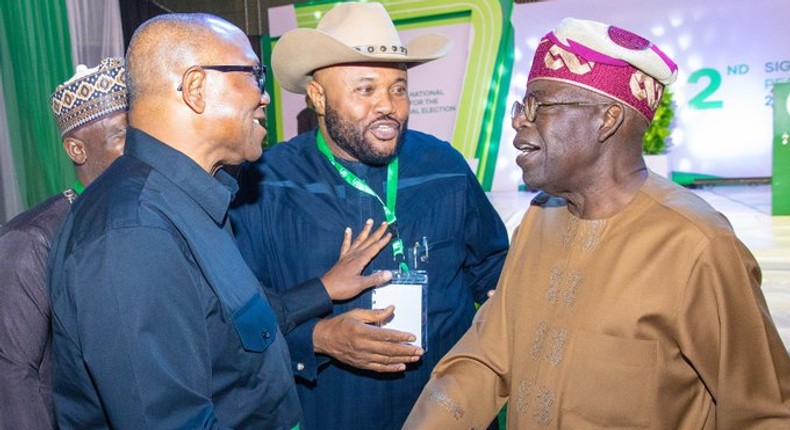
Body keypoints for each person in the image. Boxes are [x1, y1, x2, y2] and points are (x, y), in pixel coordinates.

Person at [405, 17, 790, 429]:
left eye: (540, 104)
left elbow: (761, 412)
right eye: (522, 106)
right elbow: (484, 359)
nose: (519, 121)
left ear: (607, 120)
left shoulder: (697, 244)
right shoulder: (538, 218)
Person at [230, 2, 509, 429]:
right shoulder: (266, 185)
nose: (389, 107)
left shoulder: (443, 165)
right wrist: (320, 339)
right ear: (318, 97)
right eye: (366, 89)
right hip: (336, 412)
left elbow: (492, 264)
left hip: (447, 412)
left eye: (398, 88)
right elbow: (238, 314)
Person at [47, 14, 309, 429]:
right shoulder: (131, 233)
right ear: (196, 88)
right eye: (254, 74)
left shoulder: (189, 202)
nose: (265, 97)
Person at [0, 57, 127, 430]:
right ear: (77, 150)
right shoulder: (31, 241)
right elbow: (12, 376)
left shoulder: (140, 219)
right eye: (121, 135)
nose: (138, 147)